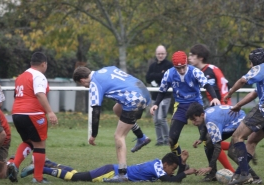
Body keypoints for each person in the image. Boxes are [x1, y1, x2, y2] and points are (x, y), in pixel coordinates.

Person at [73, 66, 151, 182]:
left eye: (82, 84)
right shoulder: (107, 69)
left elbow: (96, 111)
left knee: (119, 136)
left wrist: (93, 135)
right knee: (117, 109)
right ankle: (141, 137)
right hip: (143, 91)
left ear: (82, 80)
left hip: (134, 99)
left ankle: (122, 174)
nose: (85, 86)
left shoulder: (94, 83)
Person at [150, 51, 220, 169]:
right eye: (178, 68)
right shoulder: (169, 74)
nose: (181, 70)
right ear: (174, 66)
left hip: (196, 105)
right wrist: (156, 104)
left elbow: (207, 85)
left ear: (187, 63)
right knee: (171, 139)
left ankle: (212, 171)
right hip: (181, 106)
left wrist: (215, 98)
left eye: (183, 67)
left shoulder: (195, 72)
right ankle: (182, 165)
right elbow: (162, 91)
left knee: (207, 139)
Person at [224, 48, 264, 185]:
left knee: (237, 137)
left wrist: (229, 93)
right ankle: (241, 174)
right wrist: (238, 105)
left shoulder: (259, 68)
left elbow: (242, 81)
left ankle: (245, 175)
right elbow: (254, 94)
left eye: (250, 63)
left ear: (252, 62)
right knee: (251, 142)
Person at [8, 52, 58, 183]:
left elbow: (16, 96)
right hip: (33, 114)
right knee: (40, 144)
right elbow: (40, 94)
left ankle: (14, 164)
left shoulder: (21, 77)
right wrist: (50, 112)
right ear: (43, 64)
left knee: (29, 141)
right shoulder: (39, 76)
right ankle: (38, 178)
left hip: (17, 113)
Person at [188, 43, 235, 180]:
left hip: (222, 109)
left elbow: (220, 91)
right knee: (211, 142)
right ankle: (238, 148)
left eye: (192, 55)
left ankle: (232, 171)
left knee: (213, 143)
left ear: (200, 57)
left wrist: (221, 107)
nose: (189, 57)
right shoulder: (208, 70)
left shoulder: (208, 72)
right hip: (221, 108)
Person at [186, 102, 262, 184]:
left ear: (201, 114)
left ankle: (254, 177)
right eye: (191, 120)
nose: (193, 123)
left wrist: (209, 167)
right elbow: (205, 124)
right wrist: (201, 139)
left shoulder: (212, 121)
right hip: (234, 119)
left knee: (232, 153)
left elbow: (218, 147)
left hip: (239, 121)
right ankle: (212, 174)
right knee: (209, 142)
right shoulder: (206, 113)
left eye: (194, 119)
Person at [20, 150, 197, 183]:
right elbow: (170, 181)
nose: (172, 171)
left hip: (110, 168)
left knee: (77, 173)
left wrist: (181, 164)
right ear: (166, 164)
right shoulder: (159, 167)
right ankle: (40, 169)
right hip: (111, 172)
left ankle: (45, 163)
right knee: (75, 177)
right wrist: (186, 171)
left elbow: (173, 179)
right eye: (172, 168)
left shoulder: (159, 164)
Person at [146, 45, 173, 146]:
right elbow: (148, 77)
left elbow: (166, 77)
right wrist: (159, 75)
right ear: (156, 54)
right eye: (158, 54)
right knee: (156, 120)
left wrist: (155, 76)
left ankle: (168, 140)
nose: (160, 55)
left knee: (162, 118)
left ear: (165, 54)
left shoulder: (169, 65)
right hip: (154, 97)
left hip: (165, 96)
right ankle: (159, 140)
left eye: (162, 53)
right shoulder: (152, 65)